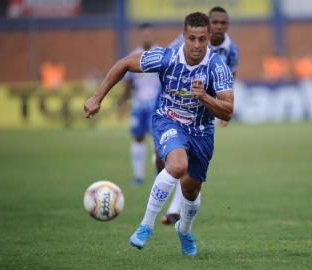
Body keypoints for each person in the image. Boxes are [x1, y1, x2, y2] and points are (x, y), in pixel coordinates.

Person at [84, 12, 234, 256]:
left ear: (208, 39)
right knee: (176, 165)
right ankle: (146, 225)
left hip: (202, 132)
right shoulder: (167, 57)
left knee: (191, 190)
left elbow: (228, 112)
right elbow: (124, 64)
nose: (197, 45)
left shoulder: (217, 67)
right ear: (183, 36)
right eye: (192, 38)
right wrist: (97, 97)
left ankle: (184, 230)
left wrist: (205, 97)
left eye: (202, 39)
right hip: (168, 120)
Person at [162, 6, 239, 225]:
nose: (218, 27)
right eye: (215, 22)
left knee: (187, 169)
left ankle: (175, 211)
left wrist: (223, 108)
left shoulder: (231, 51)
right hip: (175, 106)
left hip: (203, 111)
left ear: (227, 26)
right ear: (208, 24)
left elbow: (230, 79)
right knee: (168, 161)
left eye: (223, 23)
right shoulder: (183, 42)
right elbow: (167, 67)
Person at [118, 23, 161, 185]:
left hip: (156, 104)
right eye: (144, 34)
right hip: (138, 104)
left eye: (149, 34)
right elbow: (128, 82)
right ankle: (138, 176)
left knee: (158, 141)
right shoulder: (134, 56)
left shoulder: (161, 54)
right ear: (140, 36)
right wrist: (122, 101)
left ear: (153, 35)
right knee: (137, 137)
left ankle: (159, 174)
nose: (146, 37)